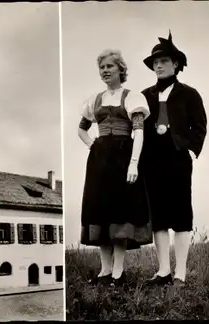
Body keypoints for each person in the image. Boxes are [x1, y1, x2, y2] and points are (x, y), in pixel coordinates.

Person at [79, 49, 153, 287]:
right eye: (102, 67)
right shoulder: (94, 100)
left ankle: (119, 272)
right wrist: (94, 146)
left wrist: (134, 163)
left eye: (110, 66)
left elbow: (139, 132)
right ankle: (105, 270)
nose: (105, 71)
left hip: (123, 159)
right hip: (99, 163)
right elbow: (81, 129)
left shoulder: (133, 97)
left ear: (121, 69)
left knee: (120, 212)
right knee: (100, 211)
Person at [140, 31, 207, 287]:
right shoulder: (144, 95)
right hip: (152, 162)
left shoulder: (190, 94)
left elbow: (199, 126)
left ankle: (180, 273)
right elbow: (138, 128)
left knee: (180, 215)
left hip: (178, 160)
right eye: (155, 62)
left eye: (164, 61)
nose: (158, 65)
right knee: (158, 216)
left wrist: (189, 150)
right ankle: (163, 271)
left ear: (176, 64)